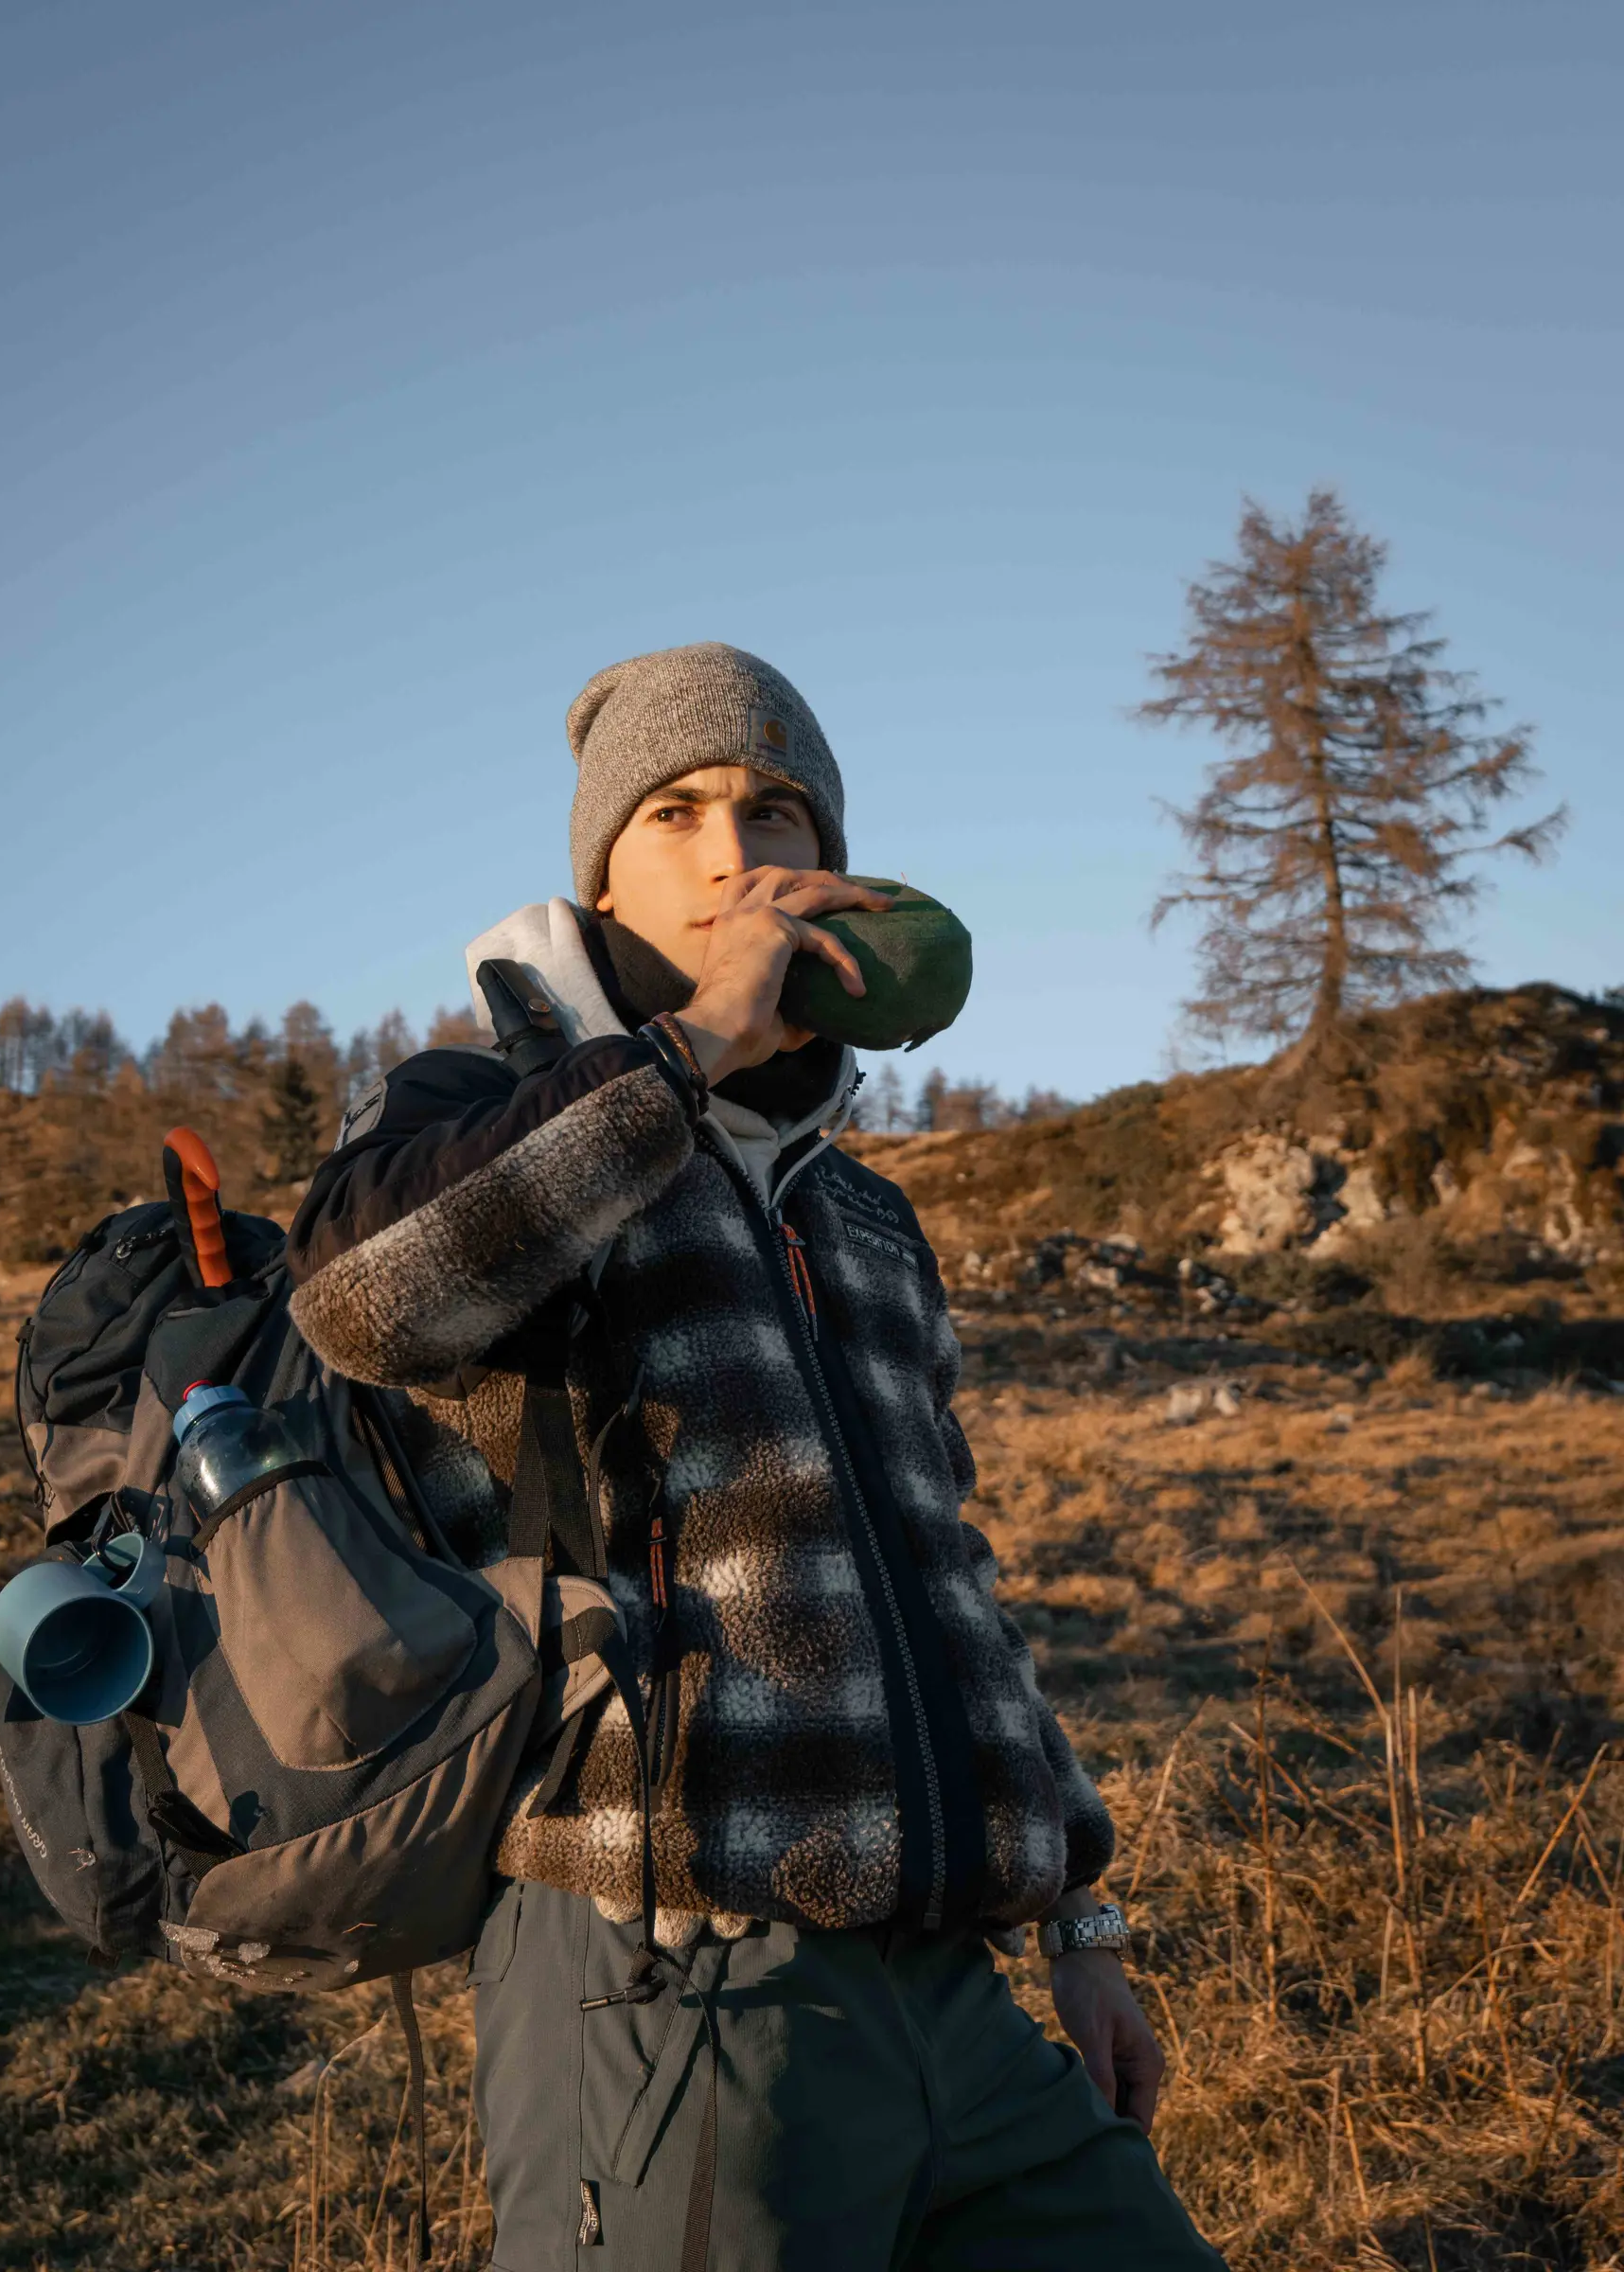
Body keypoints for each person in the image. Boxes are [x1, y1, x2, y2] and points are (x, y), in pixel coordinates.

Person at [287, 643, 1223, 2270]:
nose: (734, 851)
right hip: (676, 1972)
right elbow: (364, 1304)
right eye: (675, 812)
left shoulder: (860, 1209)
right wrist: (690, 1051)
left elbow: (947, 1571)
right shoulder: (476, 1109)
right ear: (600, 878)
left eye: (773, 808)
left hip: (949, 1986)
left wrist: (1075, 1913)